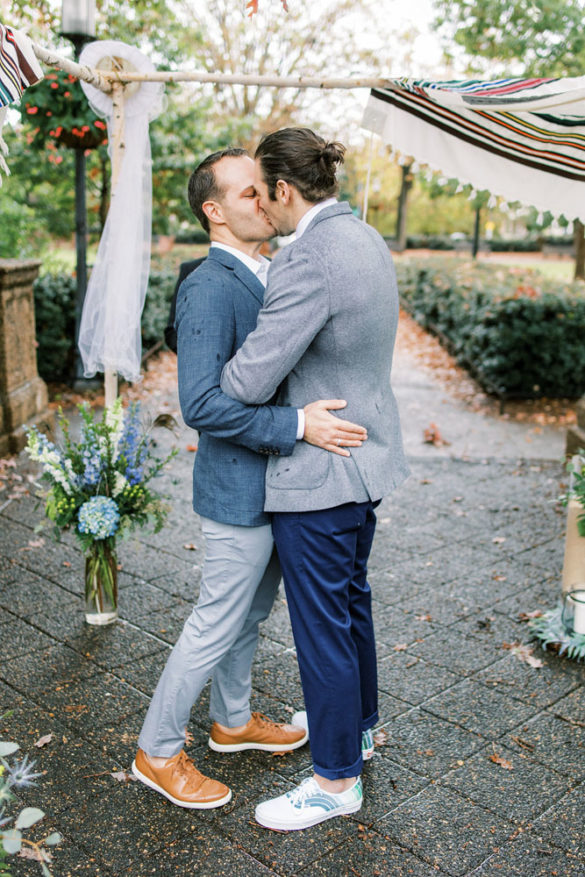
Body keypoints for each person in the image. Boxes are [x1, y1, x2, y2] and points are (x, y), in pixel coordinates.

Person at [132, 147, 368, 809]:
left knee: (247, 616)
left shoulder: (262, 270)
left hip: (275, 489)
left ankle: (232, 722)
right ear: (213, 210)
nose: (262, 202)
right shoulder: (209, 285)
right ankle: (156, 749)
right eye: (246, 195)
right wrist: (296, 425)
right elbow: (201, 403)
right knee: (213, 622)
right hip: (238, 488)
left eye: (262, 192)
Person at [220, 128, 410, 830]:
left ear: (284, 190)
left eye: (262, 193)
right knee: (349, 605)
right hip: (367, 460)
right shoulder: (362, 237)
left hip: (321, 473)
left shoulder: (308, 259)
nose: (260, 207)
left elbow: (247, 379)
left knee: (321, 629)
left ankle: (333, 781)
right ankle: (356, 729)